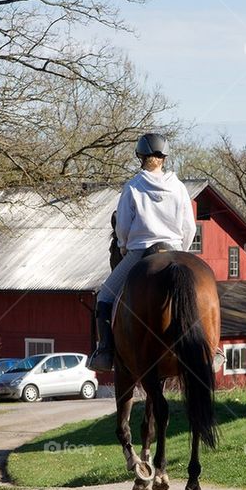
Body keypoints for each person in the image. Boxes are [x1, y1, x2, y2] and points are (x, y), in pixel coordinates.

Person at [87, 133, 197, 372]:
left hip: (140, 252)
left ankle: (105, 351)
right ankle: (214, 347)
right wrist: (182, 251)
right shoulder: (178, 187)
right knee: (202, 295)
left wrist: (124, 245)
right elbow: (190, 226)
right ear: (164, 157)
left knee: (104, 297)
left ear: (140, 156)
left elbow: (123, 226)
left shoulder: (133, 186)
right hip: (176, 249)